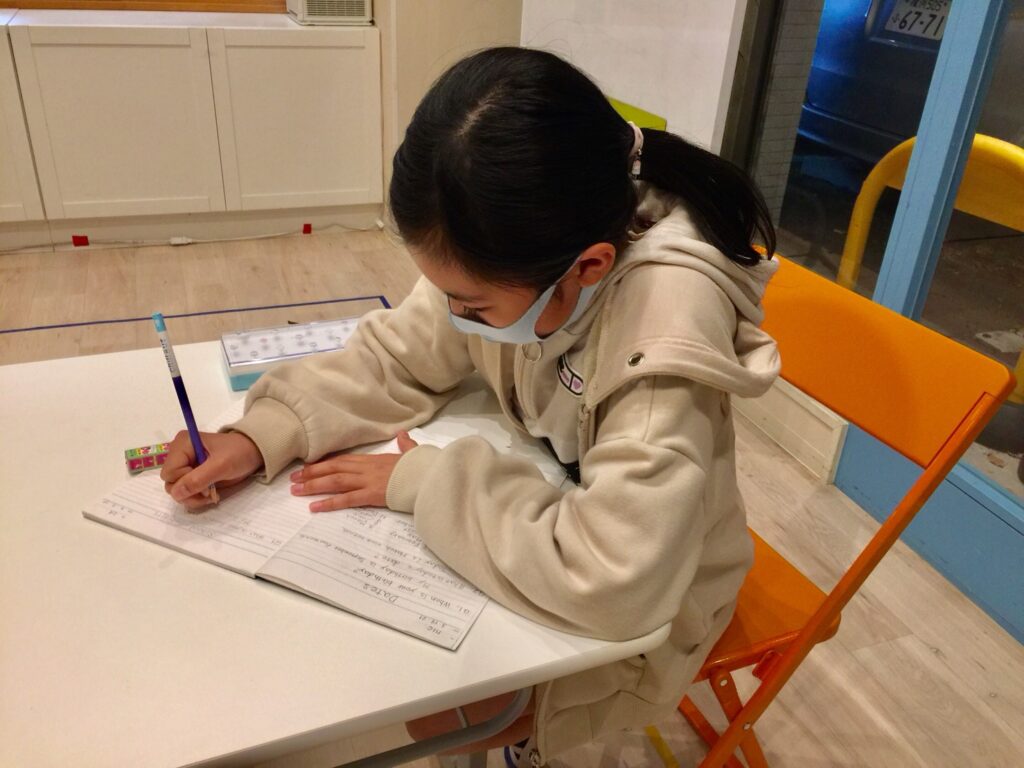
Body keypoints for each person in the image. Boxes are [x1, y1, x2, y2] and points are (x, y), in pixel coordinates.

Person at [161, 47, 780, 767]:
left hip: (660, 593)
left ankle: (527, 746)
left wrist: (426, 481)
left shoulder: (663, 327)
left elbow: (617, 580)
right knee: (382, 664)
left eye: (473, 306)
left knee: (421, 703)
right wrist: (262, 433)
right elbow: (399, 355)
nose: (455, 316)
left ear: (588, 268)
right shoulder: (521, 245)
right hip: (556, 503)